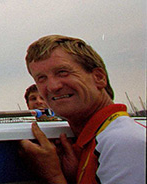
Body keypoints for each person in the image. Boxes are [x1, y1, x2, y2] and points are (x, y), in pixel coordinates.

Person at [19, 35, 146, 184]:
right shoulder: (99, 141)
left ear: (99, 78)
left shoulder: (124, 142)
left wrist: (54, 177)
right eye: (41, 78)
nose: (53, 86)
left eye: (62, 72)